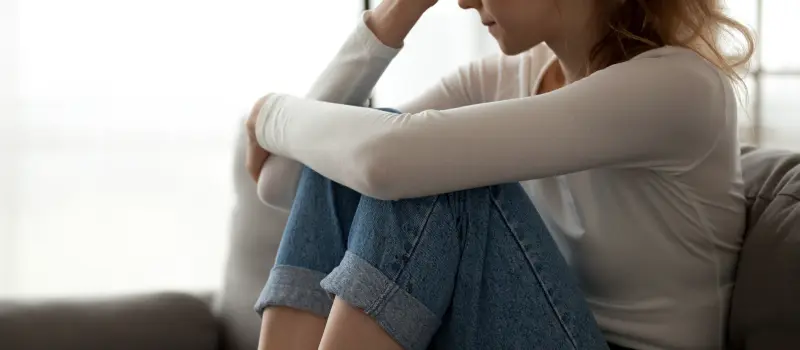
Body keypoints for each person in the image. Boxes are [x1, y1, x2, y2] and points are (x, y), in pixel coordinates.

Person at [245, 0, 755, 349]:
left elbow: (387, 160)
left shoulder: (679, 88)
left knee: (425, 172)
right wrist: (396, 13)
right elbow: (285, 181)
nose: (464, 2)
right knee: (351, 154)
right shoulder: (498, 79)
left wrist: (272, 113)